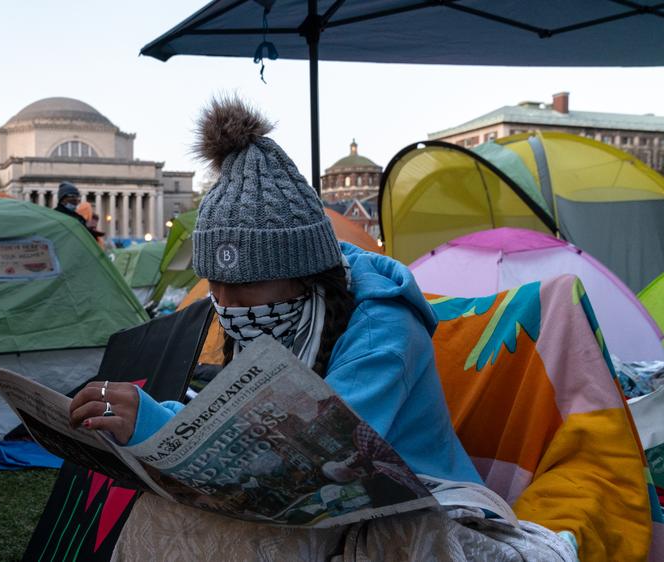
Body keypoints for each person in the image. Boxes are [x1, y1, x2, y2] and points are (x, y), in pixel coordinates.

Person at [68, 97, 577, 561]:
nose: (225, 306)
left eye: (242, 290)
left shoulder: (382, 330)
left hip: (426, 511)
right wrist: (154, 422)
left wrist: (157, 424)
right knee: (166, 515)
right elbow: (236, 430)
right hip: (334, 501)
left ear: (303, 276)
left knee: (263, 540)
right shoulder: (280, 318)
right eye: (215, 288)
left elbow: (309, 463)